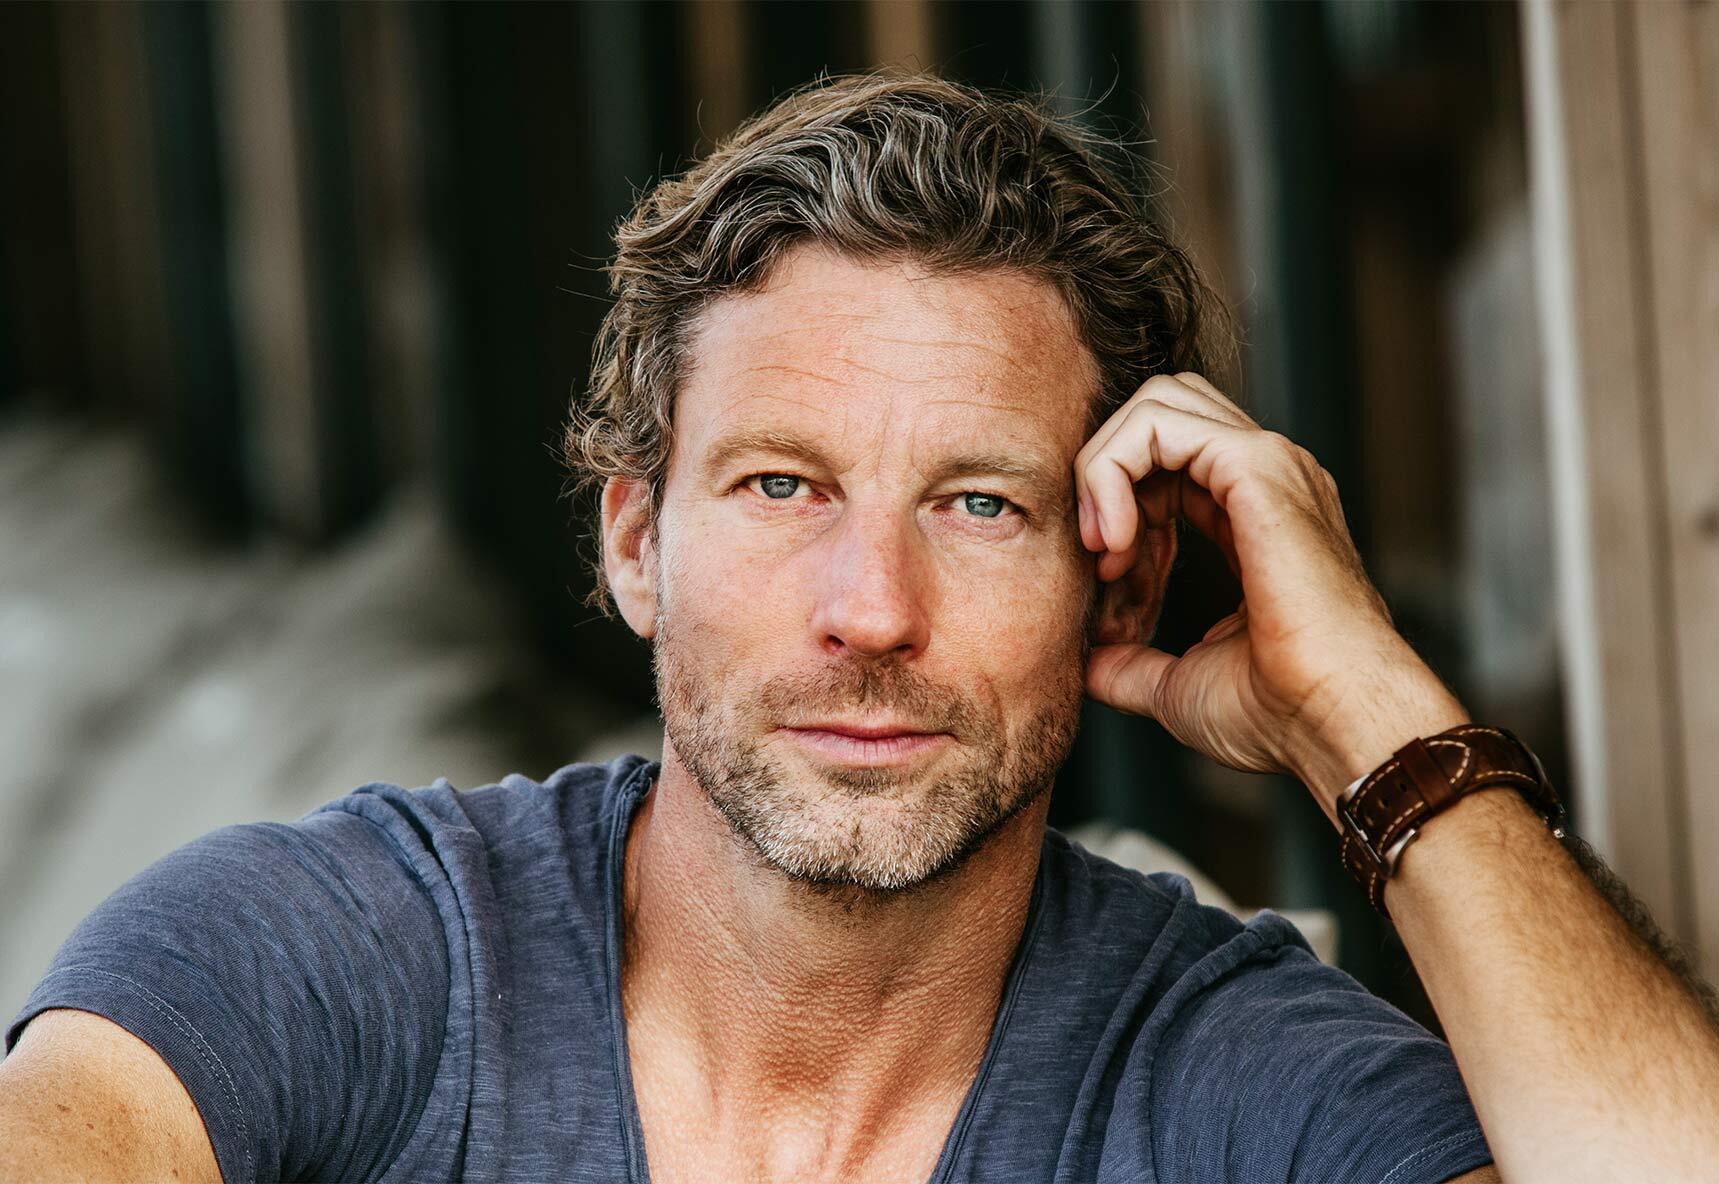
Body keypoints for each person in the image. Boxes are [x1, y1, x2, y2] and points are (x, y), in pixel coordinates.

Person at [3, 71, 1717, 1184]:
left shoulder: (1223, 1067)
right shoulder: (340, 952)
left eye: (979, 505)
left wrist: (1372, 718)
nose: (873, 613)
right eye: (781, 487)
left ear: (1118, 582)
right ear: (636, 543)